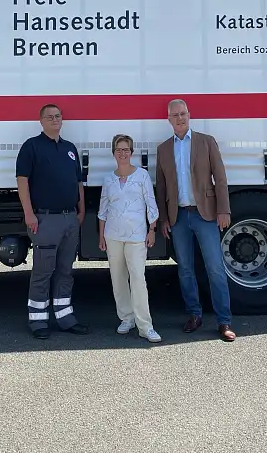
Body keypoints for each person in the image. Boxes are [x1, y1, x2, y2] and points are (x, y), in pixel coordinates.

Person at [154, 99, 237, 342]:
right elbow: (161, 187)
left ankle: (224, 321)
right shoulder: (163, 149)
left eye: (183, 114)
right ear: (169, 119)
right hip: (178, 217)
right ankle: (194, 314)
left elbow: (220, 178)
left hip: (205, 214)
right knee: (185, 269)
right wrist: (163, 219)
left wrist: (223, 210)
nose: (180, 118)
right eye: (175, 115)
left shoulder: (206, 142)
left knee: (215, 268)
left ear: (189, 115)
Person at [15, 103, 89, 340]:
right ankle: (38, 321)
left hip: (70, 219)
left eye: (58, 116)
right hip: (45, 219)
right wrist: (29, 214)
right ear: (41, 121)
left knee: (66, 271)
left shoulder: (69, 148)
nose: (55, 119)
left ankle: (65, 318)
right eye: (50, 117)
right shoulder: (32, 146)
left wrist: (81, 210)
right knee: (43, 271)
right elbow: (22, 181)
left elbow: (78, 182)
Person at [97, 134, 162, 343]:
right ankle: (126, 318)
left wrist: (152, 229)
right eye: (119, 150)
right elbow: (103, 210)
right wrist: (102, 235)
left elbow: (151, 204)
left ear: (131, 152)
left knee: (138, 280)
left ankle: (145, 326)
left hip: (136, 235)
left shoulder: (142, 175)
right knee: (117, 279)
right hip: (113, 236)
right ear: (113, 153)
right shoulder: (109, 179)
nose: (122, 153)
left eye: (126, 149)